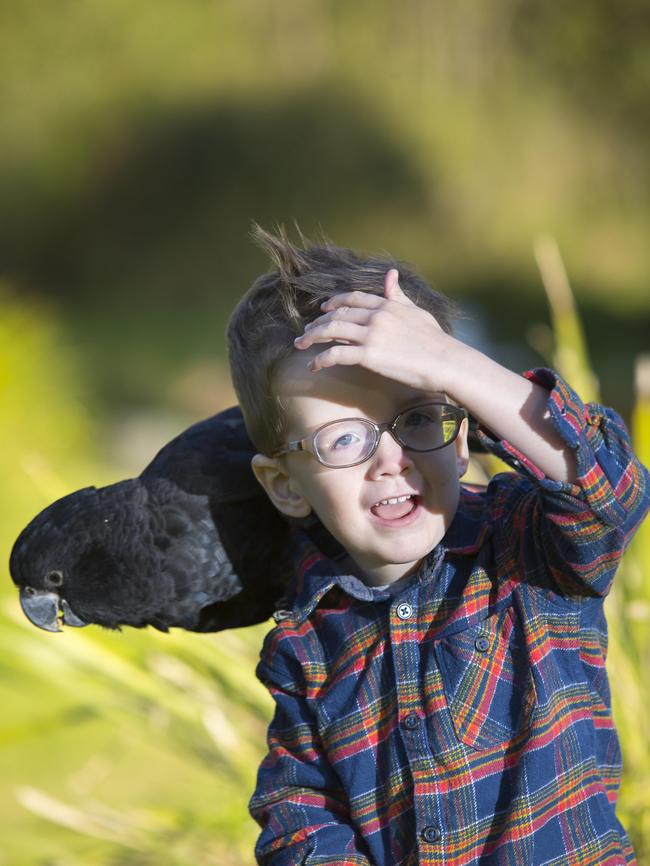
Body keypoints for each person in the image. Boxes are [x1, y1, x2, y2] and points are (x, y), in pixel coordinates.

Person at [226, 226, 649, 866]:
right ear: (286, 485)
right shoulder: (307, 640)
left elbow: (610, 489)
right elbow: (301, 818)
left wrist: (453, 364)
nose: (390, 461)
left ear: (460, 436)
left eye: (420, 418)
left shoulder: (526, 546)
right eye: (344, 439)